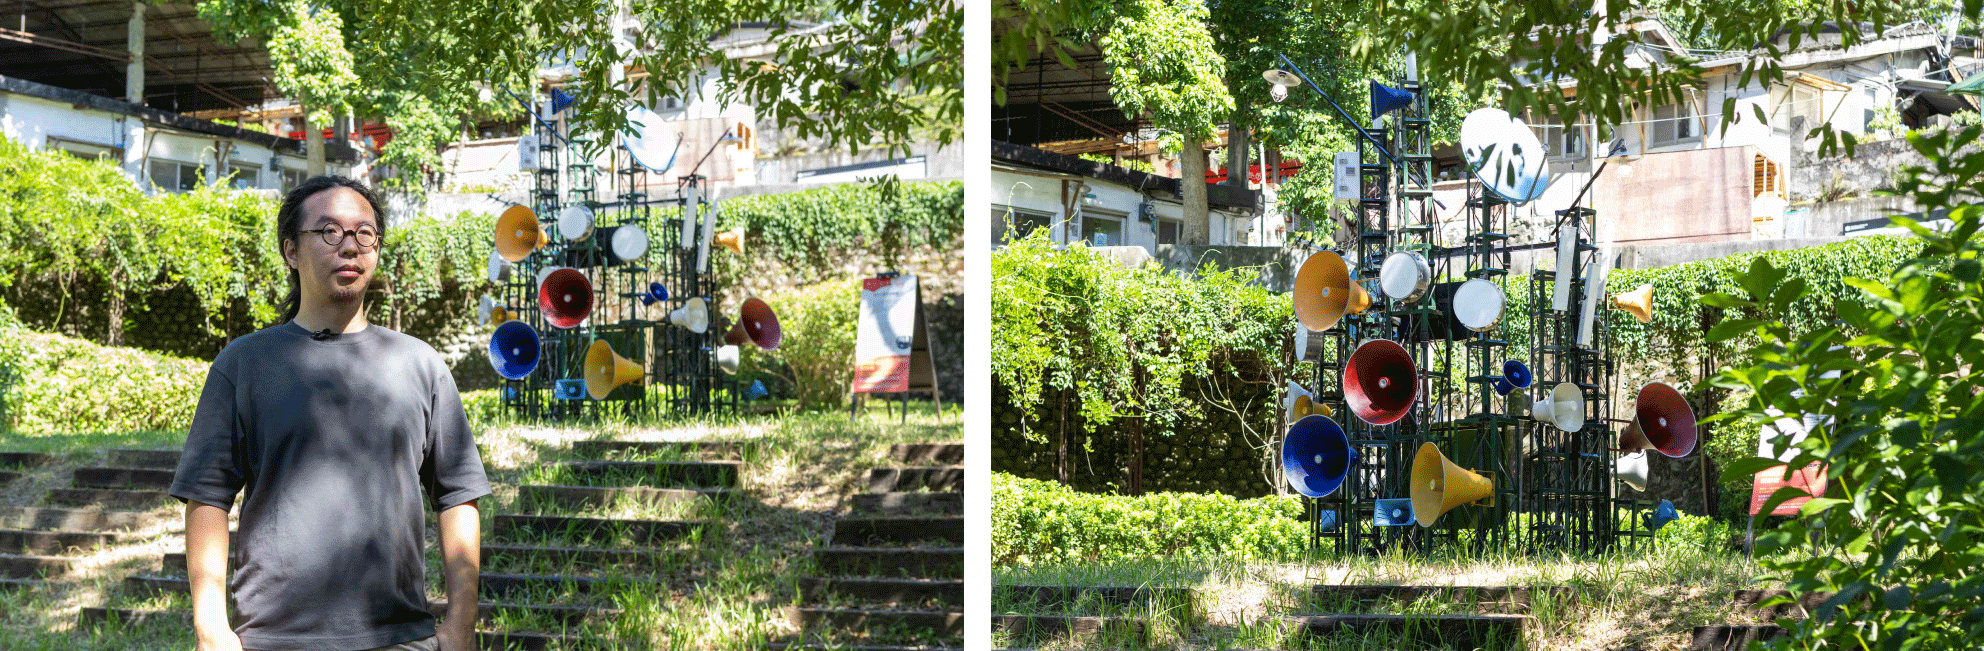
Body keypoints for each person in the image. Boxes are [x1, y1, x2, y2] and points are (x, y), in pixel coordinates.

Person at [169, 176, 490, 651]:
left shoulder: (420, 365)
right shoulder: (245, 364)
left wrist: (462, 622)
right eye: (329, 231)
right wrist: (211, 628)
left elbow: (458, 495)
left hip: (399, 638)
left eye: (365, 233)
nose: (350, 246)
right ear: (290, 250)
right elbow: (207, 496)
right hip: (274, 641)